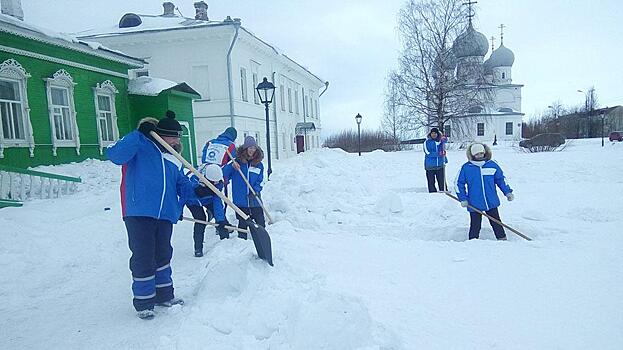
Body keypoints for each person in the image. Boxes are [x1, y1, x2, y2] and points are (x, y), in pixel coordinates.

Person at [106, 110, 213, 320]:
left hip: (165, 214)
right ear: (161, 134)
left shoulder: (173, 158)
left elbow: (182, 185)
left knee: (163, 254)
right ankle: (144, 301)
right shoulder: (140, 147)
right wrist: (138, 135)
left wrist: (199, 190)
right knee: (144, 255)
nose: (176, 140)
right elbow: (115, 155)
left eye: (178, 137)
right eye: (173, 136)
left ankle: (164, 294)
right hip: (139, 211)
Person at [455, 142, 514, 240]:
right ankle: (473, 242)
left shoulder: (492, 165)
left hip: (491, 201)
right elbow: (458, 183)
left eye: (481, 153)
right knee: (475, 225)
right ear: (472, 155)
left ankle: (502, 239)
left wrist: (507, 192)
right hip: (474, 202)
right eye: (476, 154)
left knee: (496, 222)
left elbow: (501, 179)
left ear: (485, 152)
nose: (479, 156)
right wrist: (463, 198)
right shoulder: (466, 167)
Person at [222, 136, 265, 240]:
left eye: (254, 148)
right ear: (245, 148)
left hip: (255, 200)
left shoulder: (258, 165)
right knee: (243, 224)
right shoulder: (237, 162)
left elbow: (260, 181)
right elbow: (223, 173)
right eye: (250, 148)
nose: (252, 150)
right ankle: (242, 243)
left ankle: (262, 240)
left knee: (260, 224)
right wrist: (231, 166)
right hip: (241, 201)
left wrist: (255, 190)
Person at [182, 163, 229, 257]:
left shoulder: (218, 182)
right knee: (201, 220)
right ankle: (198, 248)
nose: (216, 183)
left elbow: (217, 201)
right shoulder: (192, 180)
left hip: (209, 199)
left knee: (222, 220)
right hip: (193, 202)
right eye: (213, 182)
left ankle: (225, 243)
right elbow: (183, 197)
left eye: (217, 182)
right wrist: (178, 212)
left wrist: (220, 220)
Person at [423, 127, 448, 192]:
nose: (434, 134)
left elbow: (445, 142)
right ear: (430, 134)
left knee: (442, 181)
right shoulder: (426, 142)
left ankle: (443, 192)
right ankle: (432, 194)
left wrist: (444, 158)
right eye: (432, 133)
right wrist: (438, 154)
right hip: (430, 166)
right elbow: (427, 153)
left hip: (440, 165)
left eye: (435, 133)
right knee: (431, 182)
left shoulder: (440, 141)